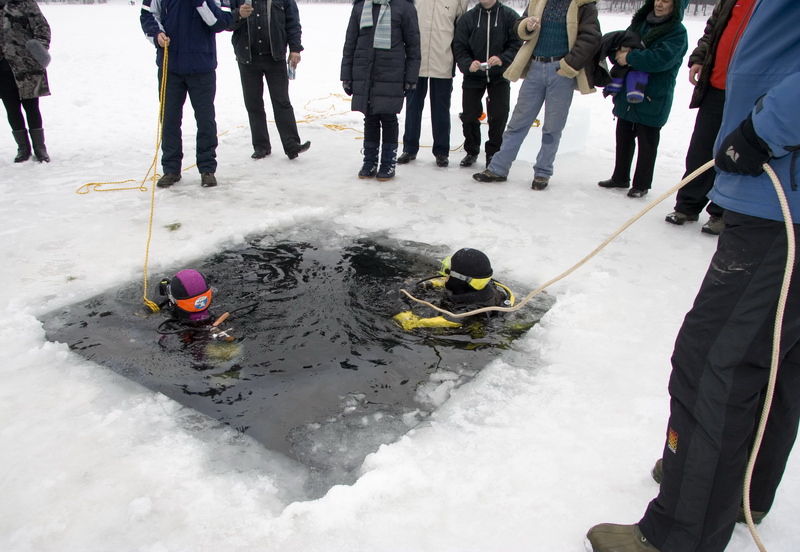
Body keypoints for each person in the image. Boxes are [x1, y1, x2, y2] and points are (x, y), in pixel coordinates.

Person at [586, 0, 800, 550]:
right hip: (781, 189)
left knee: (714, 363)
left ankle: (680, 531)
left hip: (783, 188)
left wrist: (767, 129)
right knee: (775, 354)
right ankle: (736, 488)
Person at [472, 0, 601, 191]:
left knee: (552, 127)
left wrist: (568, 66)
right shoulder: (538, 1)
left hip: (562, 71)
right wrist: (527, 26)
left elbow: (591, 38)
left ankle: (542, 173)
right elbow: (519, 27)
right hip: (535, 68)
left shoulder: (584, 5)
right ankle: (498, 168)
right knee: (517, 122)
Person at [664, 0, 755, 234]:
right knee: (701, 147)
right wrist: (699, 58)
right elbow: (712, 29)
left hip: (749, 90)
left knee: (734, 150)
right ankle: (688, 205)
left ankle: (721, 211)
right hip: (716, 84)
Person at [596, 0, 687, 199]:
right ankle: (620, 177)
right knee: (623, 136)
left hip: (653, 94)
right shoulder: (640, 24)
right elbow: (619, 45)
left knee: (647, 141)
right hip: (627, 92)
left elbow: (660, 59)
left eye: (666, 1)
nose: (659, 4)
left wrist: (630, 58)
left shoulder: (677, 32)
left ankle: (641, 184)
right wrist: (617, 53)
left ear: (676, 6)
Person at [140, 0, 233, 189]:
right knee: (169, 119)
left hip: (202, 67)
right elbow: (147, 15)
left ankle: (207, 168)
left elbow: (221, 22)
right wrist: (157, 34)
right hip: (170, 65)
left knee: (205, 119)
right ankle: (171, 169)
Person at [340, 0, 420, 182]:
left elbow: (414, 46)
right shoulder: (361, 6)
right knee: (370, 117)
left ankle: (388, 162)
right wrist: (347, 75)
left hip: (392, 72)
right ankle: (369, 161)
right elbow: (350, 43)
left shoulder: (404, 7)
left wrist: (410, 78)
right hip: (364, 70)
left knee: (389, 117)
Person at [229, 0, 311, 161]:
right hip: (247, 58)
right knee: (253, 104)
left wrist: (295, 49)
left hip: (275, 57)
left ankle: (292, 145)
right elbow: (226, 23)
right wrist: (238, 14)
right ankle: (261, 146)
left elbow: (293, 23)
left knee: (282, 102)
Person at [395, 0, 468, 168]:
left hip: (443, 60)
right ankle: (409, 148)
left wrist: (457, 58)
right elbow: (404, 22)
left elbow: (461, 30)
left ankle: (441, 151)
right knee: (413, 107)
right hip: (416, 61)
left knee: (441, 109)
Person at [452, 0, 521, 169]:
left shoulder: (509, 16)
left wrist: (503, 59)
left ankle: (493, 152)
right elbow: (459, 46)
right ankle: (472, 150)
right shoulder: (468, 18)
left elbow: (517, 43)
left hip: (499, 75)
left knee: (498, 114)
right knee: (469, 114)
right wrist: (469, 63)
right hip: (474, 75)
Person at [393, 247, 514, 330]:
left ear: (459, 279)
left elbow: (408, 324)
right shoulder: (488, 288)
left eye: (448, 273)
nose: (444, 277)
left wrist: (401, 308)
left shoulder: (460, 316)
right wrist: (430, 283)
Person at [1, 0, 51, 163]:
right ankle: (23, 147)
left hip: (26, 65)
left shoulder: (26, 4)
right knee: (11, 108)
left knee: (31, 107)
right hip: (2, 68)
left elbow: (42, 28)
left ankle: (40, 147)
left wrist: (38, 50)